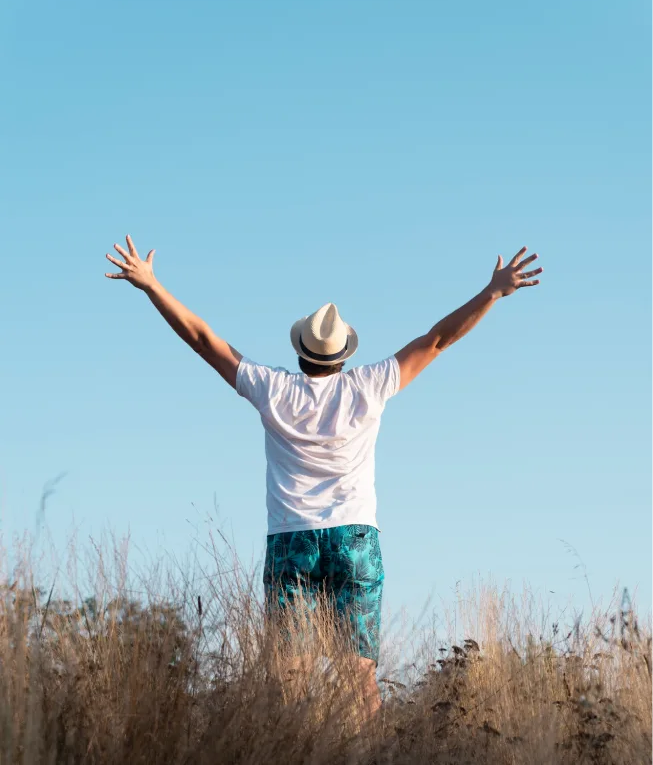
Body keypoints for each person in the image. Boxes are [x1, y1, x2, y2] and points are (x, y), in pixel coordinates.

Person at [105, 236, 542, 715]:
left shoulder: (273, 389)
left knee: (287, 677)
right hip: (355, 538)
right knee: (359, 678)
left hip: (292, 540)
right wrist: (492, 292)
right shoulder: (368, 386)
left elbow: (203, 340)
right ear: (344, 355)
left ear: (301, 353)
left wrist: (151, 285)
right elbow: (438, 339)